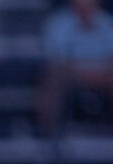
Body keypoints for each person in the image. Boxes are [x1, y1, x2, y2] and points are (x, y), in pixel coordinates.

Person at [37, 0, 113, 136]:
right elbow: (56, 59)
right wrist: (82, 72)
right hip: (69, 74)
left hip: (104, 74)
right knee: (53, 76)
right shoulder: (57, 23)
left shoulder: (108, 23)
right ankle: (47, 135)